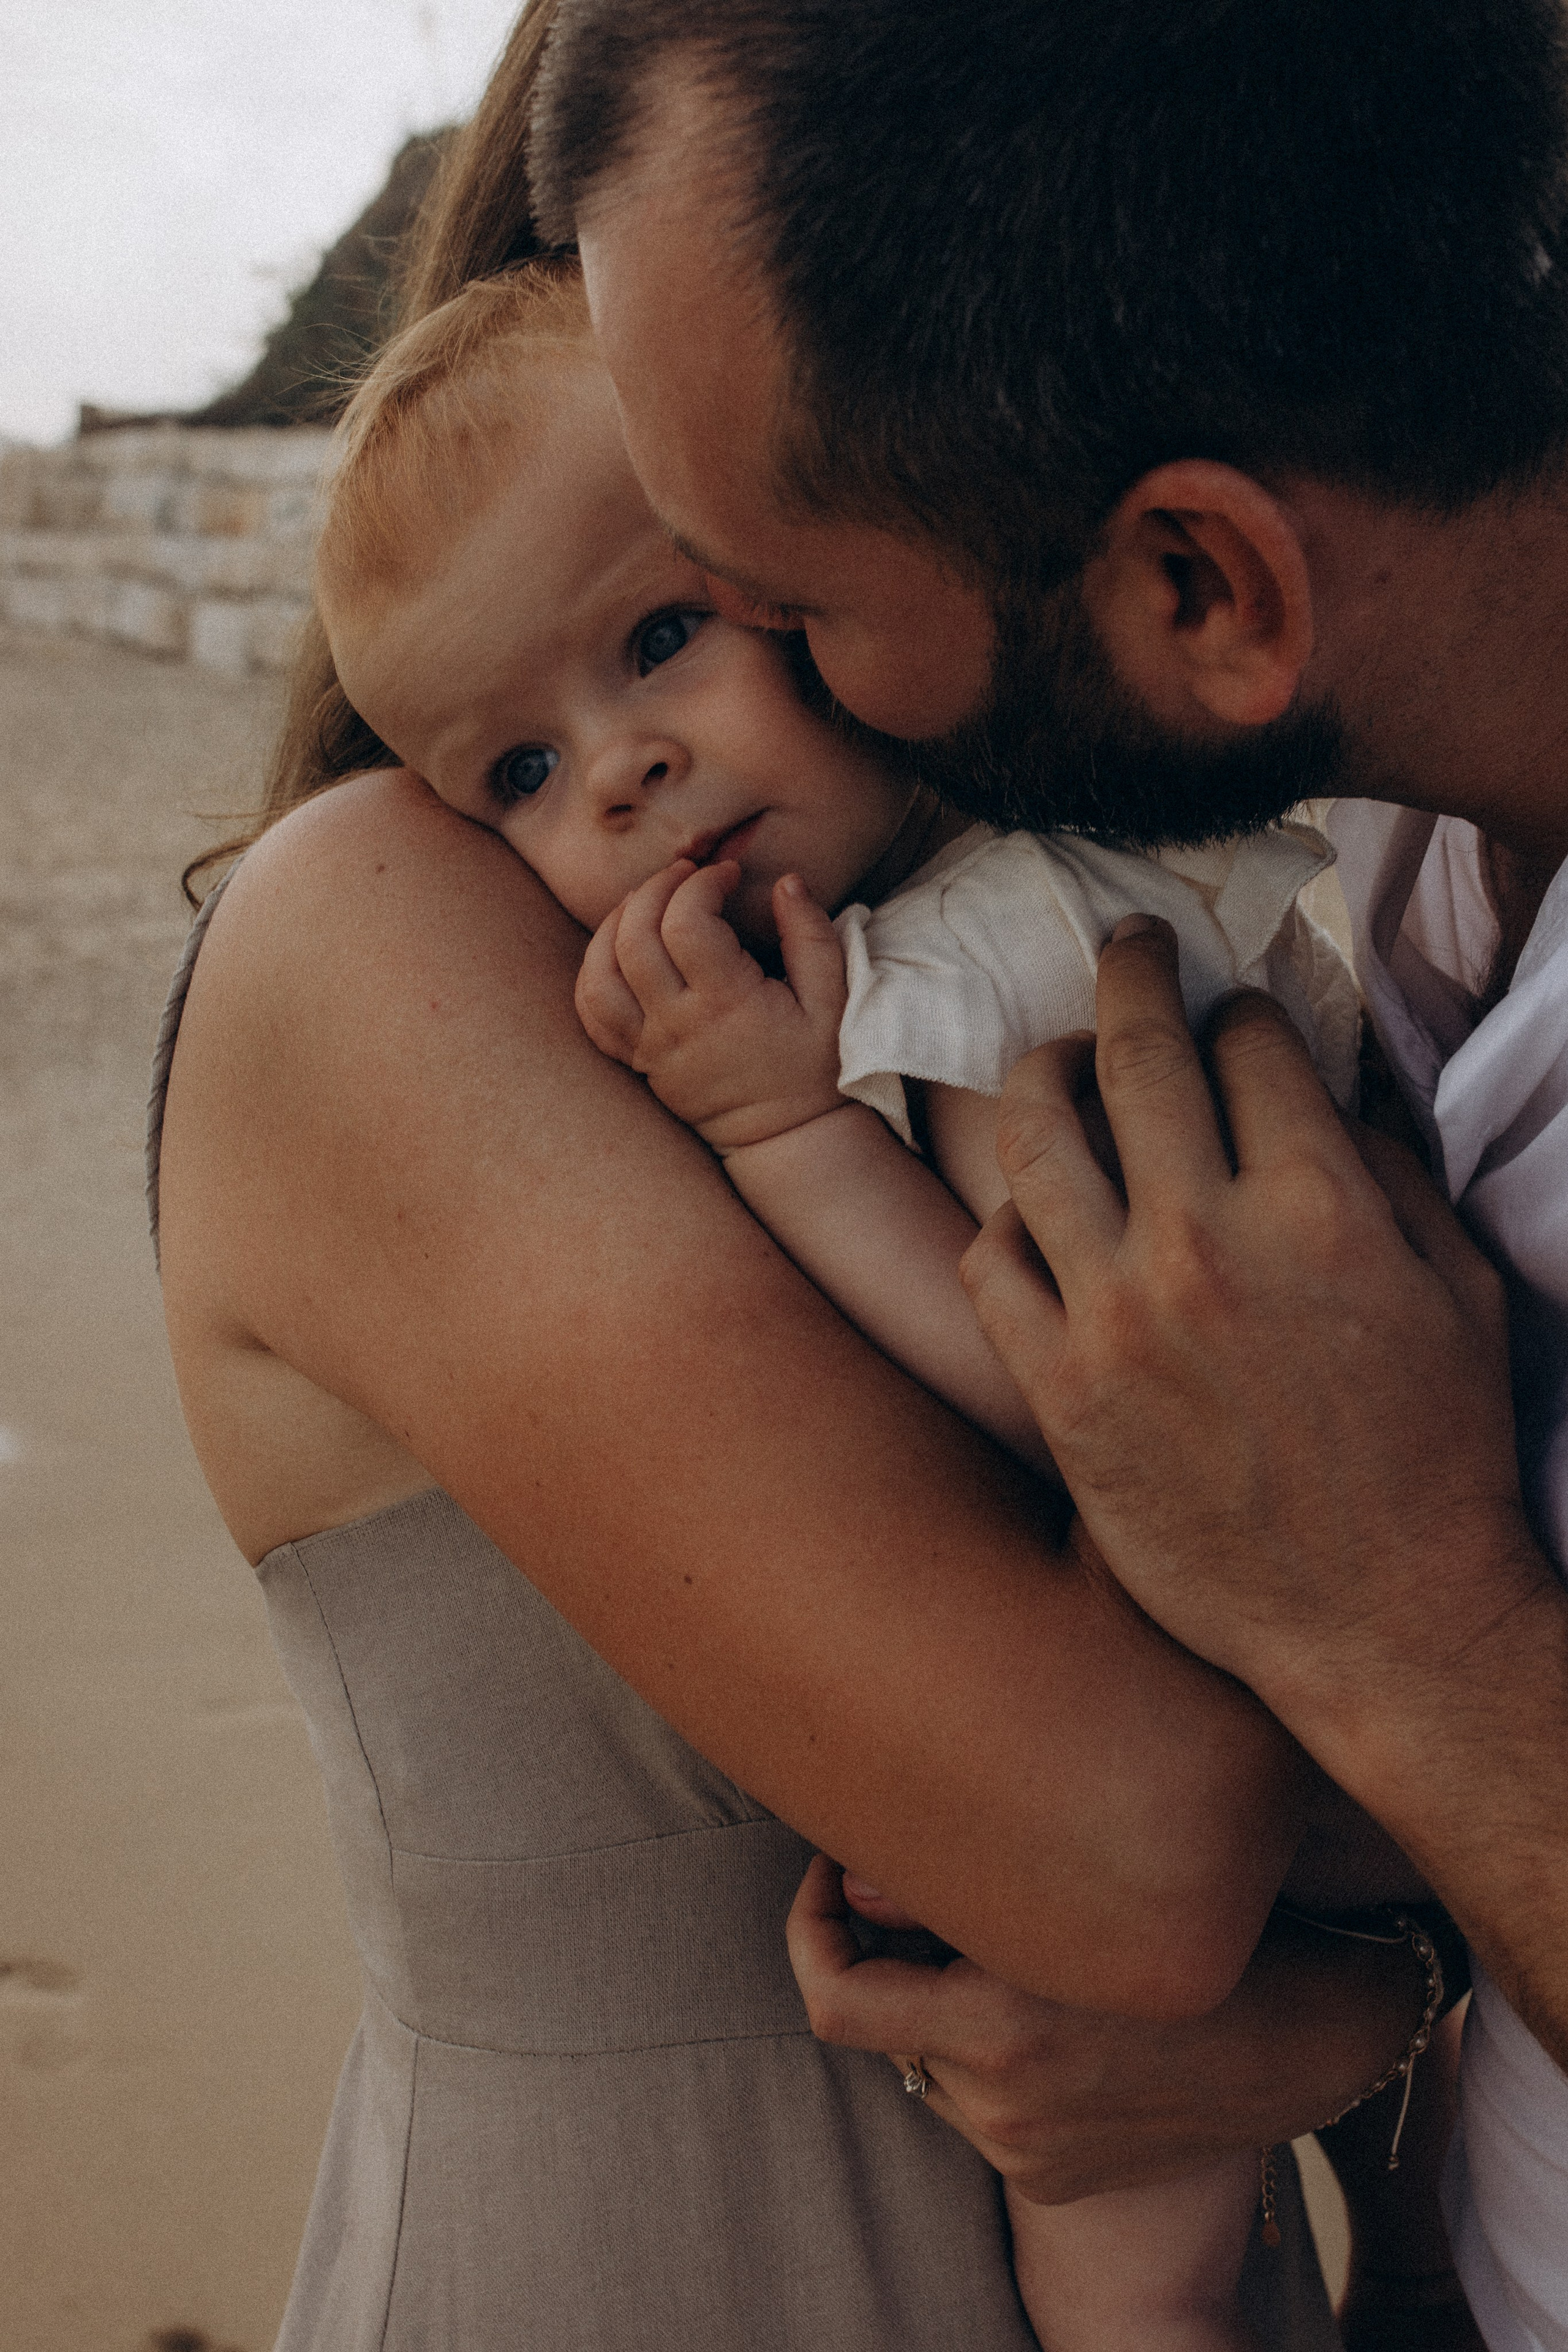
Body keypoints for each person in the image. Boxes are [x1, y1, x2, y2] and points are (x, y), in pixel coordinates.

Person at [154, 10, 1399, 2343]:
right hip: (668, 2258)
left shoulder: (977, 897)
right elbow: (1159, 1839)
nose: (616, 781)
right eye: (529, 754)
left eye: (673, 643)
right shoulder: (401, 933)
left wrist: (1366, 2022)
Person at [525, 1, 1568, 2345]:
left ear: (1203, 594)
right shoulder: (1387, 832)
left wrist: (1410, 1623)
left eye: (789, 609)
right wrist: (1345, 2022)